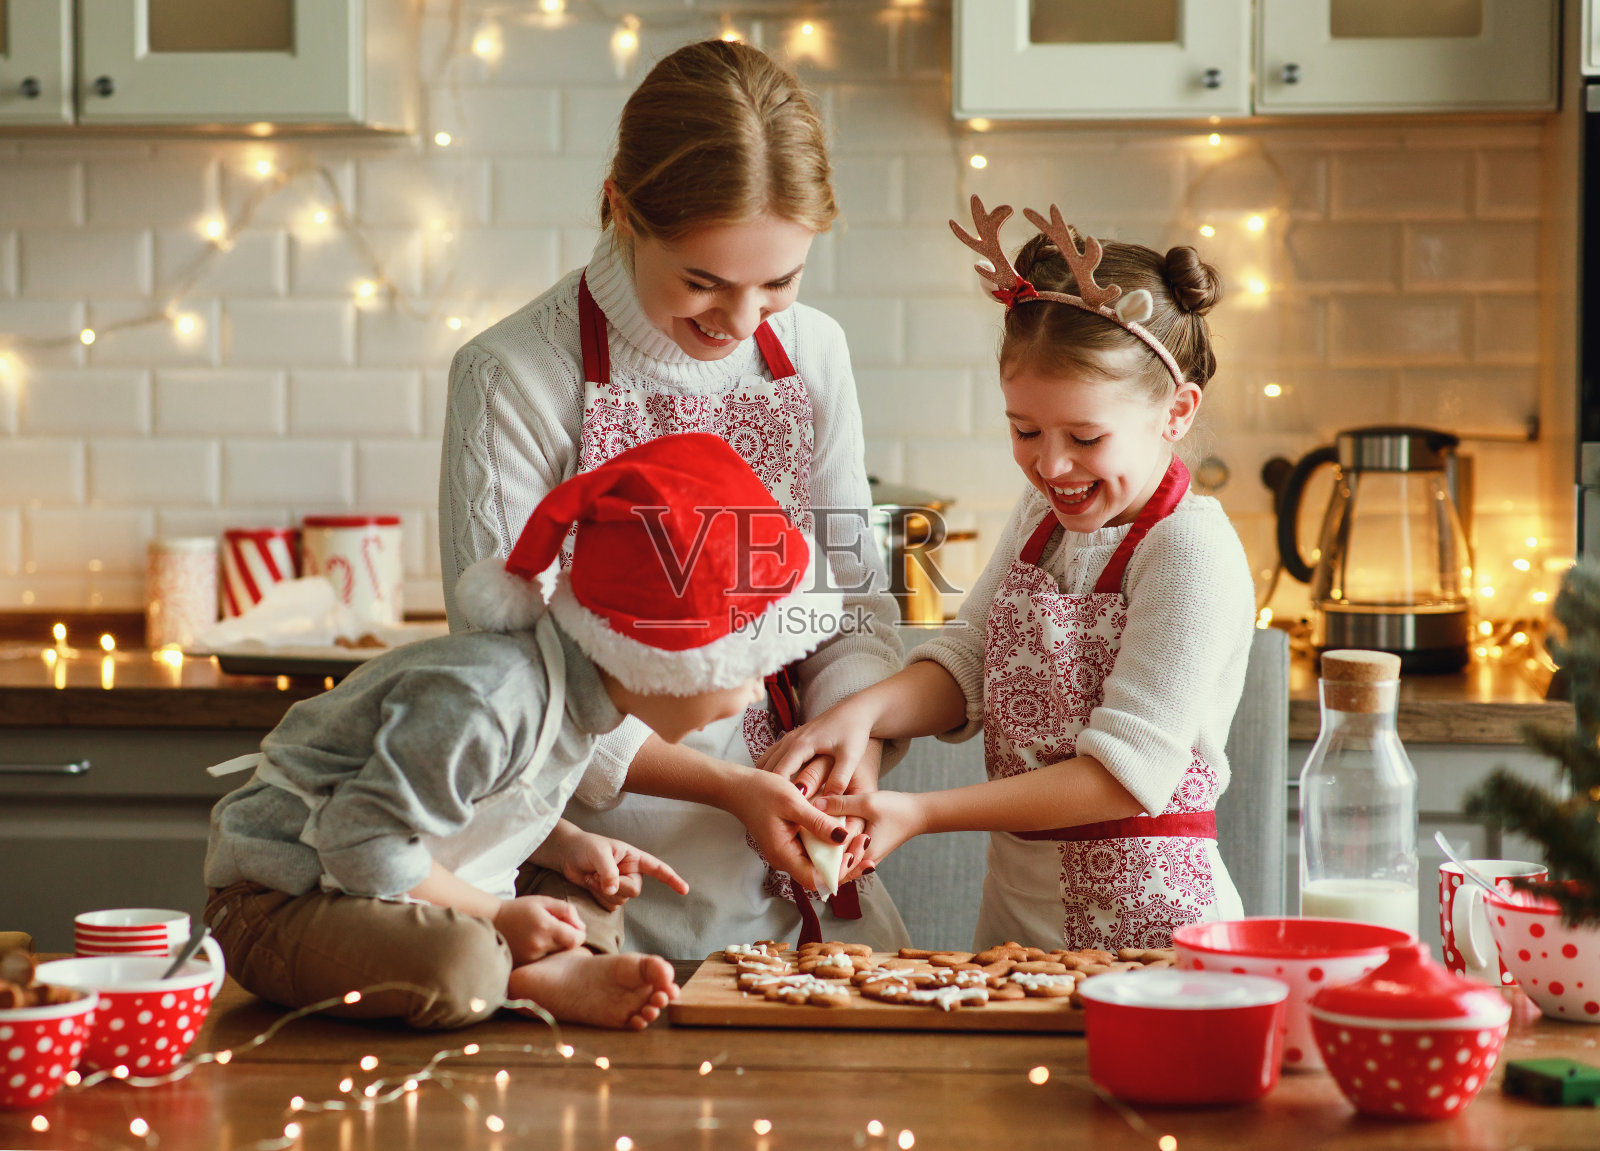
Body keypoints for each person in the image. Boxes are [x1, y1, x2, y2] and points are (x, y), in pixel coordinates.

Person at [439, 39, 907, 955]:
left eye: (779, 282)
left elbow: (854, 599)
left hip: (797, 860)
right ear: (621, 208)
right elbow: (508, 681)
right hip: (594, 866)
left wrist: (853, 736)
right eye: (704, 282)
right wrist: (728, 787)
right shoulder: (514, 376)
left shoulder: (813, 353)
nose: (741, 322)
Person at [204, 435, 850, 1029]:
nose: (755, 690)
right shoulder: (489, 700)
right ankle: (520, 975)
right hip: (289, 897)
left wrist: (563, 844)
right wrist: (497, 916)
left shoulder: (584, 697)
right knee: (461, 964)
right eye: (748, 668)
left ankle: (547, 968)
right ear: (667, 664)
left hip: (411, 880)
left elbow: (482, 803)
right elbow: (361, 844)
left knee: (588, 894)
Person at [764, 198, 1256, 952]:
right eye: (1024, 430)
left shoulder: (1190, 553)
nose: (1051, 465)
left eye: (1085, 437)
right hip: (1018, 921)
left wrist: (920, 811)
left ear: (1177, 412)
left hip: (1153, 931)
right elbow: (969, 661)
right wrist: (858, 714)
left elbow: (1121, 778)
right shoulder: (1043, 516)